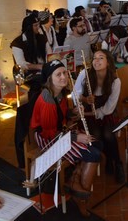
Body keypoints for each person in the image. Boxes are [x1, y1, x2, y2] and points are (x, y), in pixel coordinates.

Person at [30, 60, 101, 217]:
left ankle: (74, 181)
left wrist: (73, 112)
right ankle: (81, 199)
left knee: (97, 144)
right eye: (58, 74)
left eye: (64, 73)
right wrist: (76, 137)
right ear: (50, 78)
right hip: (47, 138)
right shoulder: (47, 100)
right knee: (93, 153)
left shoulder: (60, 92)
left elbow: (62, 114)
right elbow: (49, 133)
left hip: (60, 131)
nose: (64, 77)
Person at [75, 50, 125, 183]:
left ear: (108, 62)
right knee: (96, 135)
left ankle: (117, 163)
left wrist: (93, 113)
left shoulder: (115, 81)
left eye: (101, 58)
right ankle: (109, 158)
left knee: (108, 134)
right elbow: (75, 94)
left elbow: (108, 108)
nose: (96, 61)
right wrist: (85, 100)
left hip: (106, 114)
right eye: (95, 58)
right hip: (88, 114)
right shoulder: (84, 74)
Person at [10, 13, 46, 94]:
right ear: (29, 27)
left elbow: (49, 54)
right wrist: (39, 67)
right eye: (35, 25)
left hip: (43, 69)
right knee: (40, 82)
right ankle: (36, 104)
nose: (38, 28)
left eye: (38, 25)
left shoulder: (41, 38)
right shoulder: (17, 43)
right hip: (26, 74)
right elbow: (21, 64)